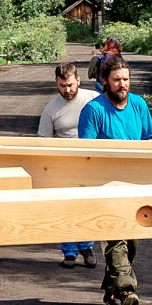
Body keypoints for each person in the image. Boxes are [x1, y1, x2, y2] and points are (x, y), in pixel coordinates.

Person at [77, 54, 152, 305]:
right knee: (116, 241)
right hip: (105, 186)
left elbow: (149, 142)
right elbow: (85, 154)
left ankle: (111, 289)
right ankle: (127, 291)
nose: (122, 84)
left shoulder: (138, 104)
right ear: (104, 81)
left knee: (130, 243)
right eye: (116, 80)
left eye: (125, 79)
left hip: (134, 185)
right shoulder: (94, 110)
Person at [37, 62, 99, 269]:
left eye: (71, 85)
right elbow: (43, 142)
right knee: (66, 207)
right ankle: (69, 252)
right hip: (64, 164)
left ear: (78, 81)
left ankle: (87, 247)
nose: (67, 90)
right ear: (56, 83)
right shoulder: (51, 109)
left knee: (88, 205)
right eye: (62, 85)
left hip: (91, 162)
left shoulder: (93, 99)